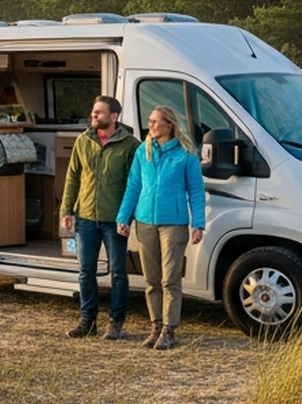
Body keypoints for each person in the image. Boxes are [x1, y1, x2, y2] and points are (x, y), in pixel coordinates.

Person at [117, 105, 207, 350]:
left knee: (170, 279)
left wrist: (198, 223)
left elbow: (196, 191)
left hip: (174, 223)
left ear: (170, 124)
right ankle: (155, 325)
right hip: (145, 221)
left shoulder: (186, 154)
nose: (151, 125)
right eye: (150, 121)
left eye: (156, 121)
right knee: (151, 279)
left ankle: (170, 329)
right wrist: (123, 217)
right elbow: (133, 186)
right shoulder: (142, 152)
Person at [60, 96, 140, 340]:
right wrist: (67, 210)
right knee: (85, 271)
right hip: (85, 217)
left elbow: (134, 185)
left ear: (114, 116)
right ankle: (88, 320)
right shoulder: (83, 141)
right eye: (93, 112)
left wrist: (127, 217)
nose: (93, 116)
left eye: (99, 113)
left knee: (118, 272)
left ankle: (116, 323)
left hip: (114, 219)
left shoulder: (130, 145)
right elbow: (73, 176)